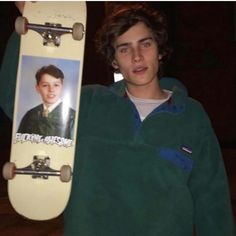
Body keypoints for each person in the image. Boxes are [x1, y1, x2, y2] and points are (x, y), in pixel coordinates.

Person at [0, 3, 235, 236]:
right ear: (114, 61)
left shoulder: (191, 115)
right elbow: (17, 103)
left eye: (145, 44)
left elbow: (212, 200)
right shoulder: (89, 104)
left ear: (160, 50)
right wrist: (30, 26)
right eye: (124, 49)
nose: (137, 57)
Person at [17, 64, 75, 139]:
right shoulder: (30, 115)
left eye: (56, 85)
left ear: (62, 86)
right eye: (45, 85)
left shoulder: (72, 116)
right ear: (37, 88)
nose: (51, 90)